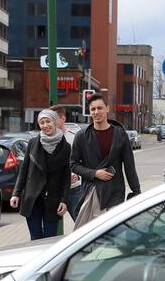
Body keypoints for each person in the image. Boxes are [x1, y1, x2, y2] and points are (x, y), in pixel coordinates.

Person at [71, 93, 141, 228]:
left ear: (107, 109)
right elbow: (73, 164)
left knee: (114, 236)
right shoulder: (81, 136)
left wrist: (136, 191)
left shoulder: (120, 134)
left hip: (115, 193)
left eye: (100, 108)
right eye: (93, 109)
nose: (96, 112)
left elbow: (129, 166)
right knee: (90, 237)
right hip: (92, 192)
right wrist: (94, 173)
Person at [10, 109, 70, 240]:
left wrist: (64, 201)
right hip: (33, 198)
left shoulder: (65, 147)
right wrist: (16, 194)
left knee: (50, 240)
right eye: (42, 123)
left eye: (48, 121)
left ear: (54, 122)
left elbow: (66, 177)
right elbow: (24, 170)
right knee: (35, 239)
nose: (45, 125)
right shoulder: (33, 143)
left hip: (53, 200)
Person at [51, 104, 83, 221]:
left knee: (80, 222)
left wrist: (78, 176)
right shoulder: (45, 140)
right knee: (52, 227)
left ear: (63, 118)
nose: (51, 122)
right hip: (53, 190)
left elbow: (83, 161)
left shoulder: (74, 138)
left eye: (54, 119)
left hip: (73, 189)